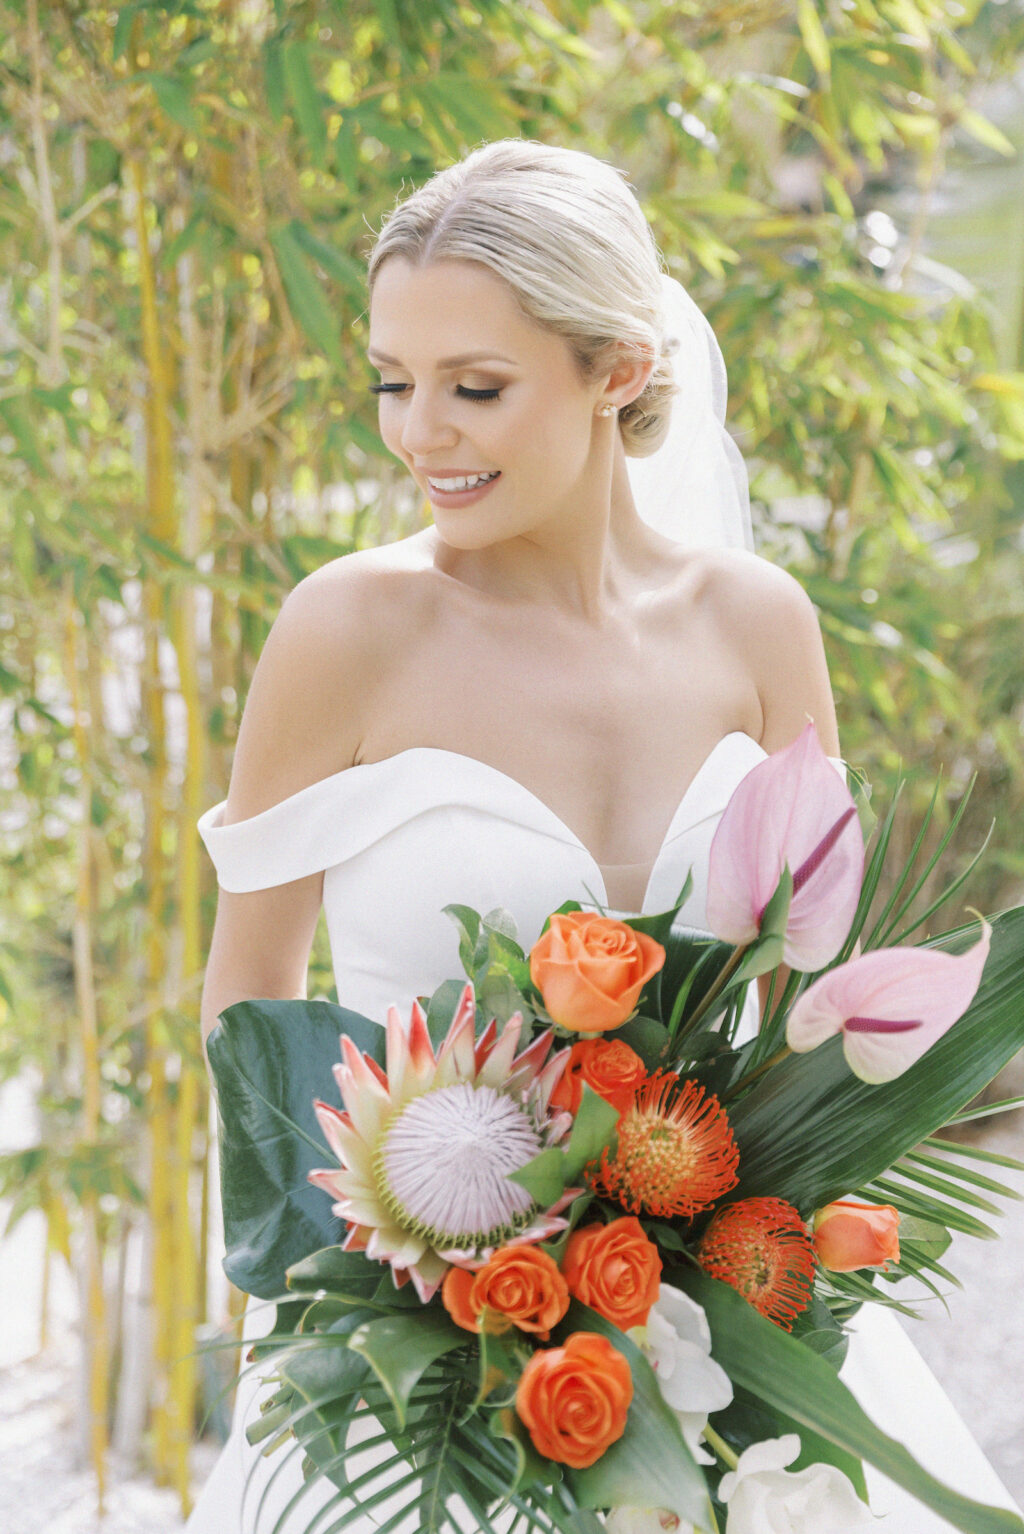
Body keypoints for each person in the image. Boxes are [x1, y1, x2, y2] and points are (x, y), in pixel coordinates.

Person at [187, 140, 1019, 1533]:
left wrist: (754, 1284)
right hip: (423, 1387)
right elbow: (250, 996)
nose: (418, 432)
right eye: (395, 382)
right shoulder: (343, 633)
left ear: (617, 369)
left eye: (477, 387)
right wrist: (337, 1312)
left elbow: (793, 1014)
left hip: (723, 1341)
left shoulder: (759, 625)